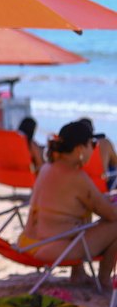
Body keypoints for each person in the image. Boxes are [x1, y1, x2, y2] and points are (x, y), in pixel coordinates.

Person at [18, 121, 117, 289]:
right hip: (51, 249)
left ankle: (78, 274)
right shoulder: (77, 177)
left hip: (28, 243)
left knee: (75, 216)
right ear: (79, 149)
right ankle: (104, 280)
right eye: (92, 144)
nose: (94, 149)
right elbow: (111, 215)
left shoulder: (47, 167)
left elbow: (71, 203)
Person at [79, 117, 117, 187]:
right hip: (99, 188)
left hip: (79, 188)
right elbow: (115, 162)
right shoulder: (104, 143)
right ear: (92, 130)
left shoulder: (73, 148)